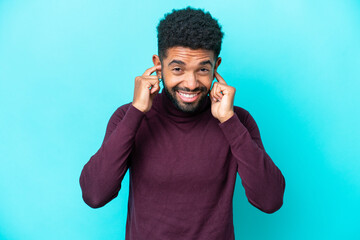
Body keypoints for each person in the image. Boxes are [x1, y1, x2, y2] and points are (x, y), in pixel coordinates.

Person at [80, 7, 285, 240]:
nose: (191, 83)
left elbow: (270, 200)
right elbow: (95, 194)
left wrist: (229, 122)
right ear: (158, 64)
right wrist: (137, 112)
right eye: (178, 69)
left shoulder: (238, 121)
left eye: (203, 69)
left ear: (216, 66)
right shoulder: (128, 116)